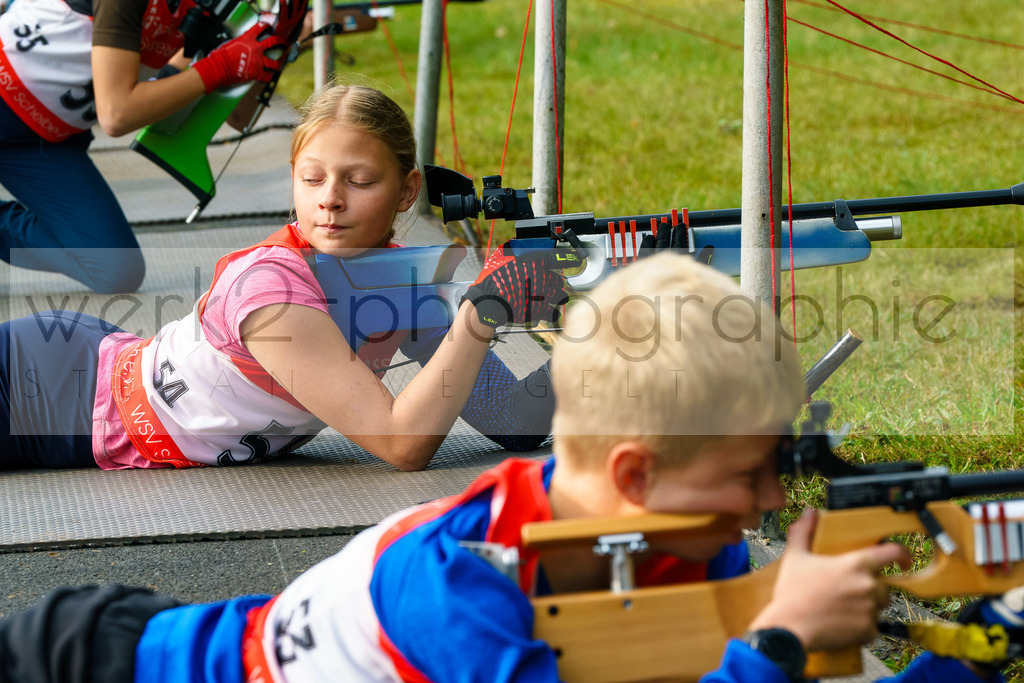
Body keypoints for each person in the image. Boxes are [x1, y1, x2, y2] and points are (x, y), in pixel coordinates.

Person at [0, 253, 1017, 683]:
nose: (768, 500)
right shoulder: (458, 589)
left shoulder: (665, 546)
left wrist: (979, 642)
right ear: (634, 474)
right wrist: (781, 637)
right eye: (751, 472)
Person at [0, 82, 568, 470]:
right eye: (312, 179)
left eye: (360, 181)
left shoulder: (400, 282)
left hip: (86, 364)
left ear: (408, 190)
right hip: (44, 388)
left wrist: (601, 322)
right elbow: (402, 444)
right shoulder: (271, 288)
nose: (331, 200)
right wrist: (480, 313)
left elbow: (512, 419)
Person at [0, 0, 302, 292]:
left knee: (116, 269)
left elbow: (239, 117)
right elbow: (115, 115)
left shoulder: (210, 5)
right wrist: (219, 67)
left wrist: (275, 44)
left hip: (45, 141)